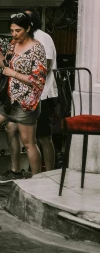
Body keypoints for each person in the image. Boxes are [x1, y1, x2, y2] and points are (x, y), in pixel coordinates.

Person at [0, 12, 47, 180]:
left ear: (28, 28)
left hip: (27, 101)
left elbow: (38, 81)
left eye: (18, 30)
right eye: (12, 30)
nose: (14, 34)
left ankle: (37, 182)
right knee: (11, 129)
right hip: (8, 99)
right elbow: (5, 65)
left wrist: (14, 73)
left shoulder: (37, 48)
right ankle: (16, 171)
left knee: (29, 143)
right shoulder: (12, 44)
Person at [25, 8, 58, 171]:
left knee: (44, 137)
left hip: (43, 95)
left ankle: (50, 173)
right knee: (32, 137)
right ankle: (36, 174)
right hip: (29, 96)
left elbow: (47, 64)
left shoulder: (42, 38)